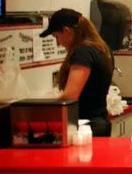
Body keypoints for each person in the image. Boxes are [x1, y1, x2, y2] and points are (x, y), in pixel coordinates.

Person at [40, 8, 114, 137]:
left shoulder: (83, 52)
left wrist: (41, 111)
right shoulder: (102, 47)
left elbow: (70, 95)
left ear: (67, 31)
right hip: (100, 123)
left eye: (57, 36)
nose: (58, 43)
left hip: (87, 127)